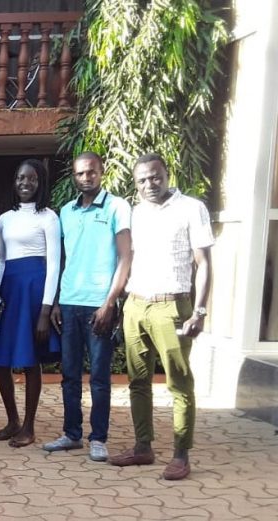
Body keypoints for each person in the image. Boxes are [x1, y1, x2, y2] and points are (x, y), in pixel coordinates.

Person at [108, 153, 213, 481]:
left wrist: (200, 311)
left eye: (154, 177)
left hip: (173, 307)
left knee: (179, 383)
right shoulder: (136, 213)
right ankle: (143, 447)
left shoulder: (191, 209)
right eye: (142, 180)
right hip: (137, 305)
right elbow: (129, 257)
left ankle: (181, 454)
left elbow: (205, 264)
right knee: (138, 381)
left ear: (167, 175)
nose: (149, 184)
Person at [44, 152, 132, 462]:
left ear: (102, 171)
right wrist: (56, 300)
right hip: (69, 304)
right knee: (69, 374)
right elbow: (64, 259)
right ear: (73, 176)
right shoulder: (66, 211)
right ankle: (71, 434)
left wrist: (111, 302)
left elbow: (125, 257)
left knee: (98, 376)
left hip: (99, 306)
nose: (86, 178)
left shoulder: (117, 207)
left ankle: (99, 438)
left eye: (91, 172)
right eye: (80, 173)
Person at [0, 159, 61, 448]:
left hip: (34, 289)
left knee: (30, 360)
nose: (25, 183)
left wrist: (46, 308)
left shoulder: (49, 217)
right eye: (19, 178)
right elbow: (1, 260)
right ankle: (12, 420)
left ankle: (29, 426)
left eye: (31, 179)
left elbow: (53, 265)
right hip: (10, 289)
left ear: (40, 183)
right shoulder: (4, 219)